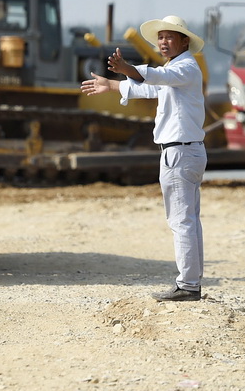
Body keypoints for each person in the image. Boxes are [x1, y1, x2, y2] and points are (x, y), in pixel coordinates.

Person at [81, 15, 208, 302]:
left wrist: (127, 68)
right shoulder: (178, 68)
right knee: (189, 219)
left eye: (169, 37)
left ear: (184, 41)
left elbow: (157, 79)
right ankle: (192, 282)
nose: (163, 42)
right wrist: (111, 84)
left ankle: (188, 284)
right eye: (161, 37)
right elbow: (149, 87)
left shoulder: (185, 67)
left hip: (179, 152)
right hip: (185, 150)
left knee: (181, 220)